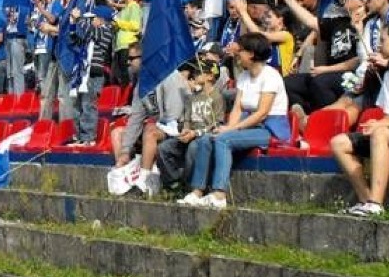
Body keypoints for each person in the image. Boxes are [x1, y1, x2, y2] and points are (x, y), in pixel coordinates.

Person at [178, 33, 290, 209]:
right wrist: (229, 127)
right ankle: (197, 190)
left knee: (224, 139)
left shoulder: (271, 76)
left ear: (251, 54)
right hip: (248, 125)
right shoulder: (244, 77)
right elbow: (238, 108)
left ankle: (219, 194)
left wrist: (231, 130)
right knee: (207, 138)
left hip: (269, 128)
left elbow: (262, 113)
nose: (237, 54)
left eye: (241, 51)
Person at [330, 21, 389, 217]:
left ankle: (376, 202)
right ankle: (366, 199)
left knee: (381, 133)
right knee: (339, 142)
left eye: (383, 40)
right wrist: (376, 124)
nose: (379, 45)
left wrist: (382, 126)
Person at [113, 43, 187, 168]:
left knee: (150, 130)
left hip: (180, 128)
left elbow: (175, 115)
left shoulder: (170, 76)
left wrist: (155, 125)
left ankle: (144, 178)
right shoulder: (141, 84)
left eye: (132, 58)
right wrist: (125, 151)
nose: (128, 62)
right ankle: (123, 174)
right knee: (117, 133)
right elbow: (135, 118)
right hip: (160, 127)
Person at [156, 61, 225, 192]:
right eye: (195, 72)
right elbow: (187, 119)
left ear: (210, 76)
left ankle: (189, 185)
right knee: (163, 148)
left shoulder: (217, 97)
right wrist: (186, 129)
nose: (195, 74)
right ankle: (173, 182)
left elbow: (216, 124)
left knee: (193, 149)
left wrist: (196, 133)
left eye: (199, 72)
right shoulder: (192, 97)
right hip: (189, 135)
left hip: (204, 137)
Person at [70, 6, 113, 145]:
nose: (90, 21)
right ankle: (79, 136)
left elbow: (88, 29)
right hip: (82, 75)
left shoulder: (105, 32)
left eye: (93, 18)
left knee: (88, 105)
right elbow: (74, 41)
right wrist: (72, 24)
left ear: (101, 20)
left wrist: (79, 18)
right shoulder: (92, 34)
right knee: (77, 107)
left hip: (94, 75)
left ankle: (89, 137)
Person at [112, 0, 141, 88]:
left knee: (127, 73)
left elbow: (135, 25)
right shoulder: (125, 8)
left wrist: (119, 22)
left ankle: (129, 97)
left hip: (128, 44)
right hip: (119, 45)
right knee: (120, 73)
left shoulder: (134, 6)